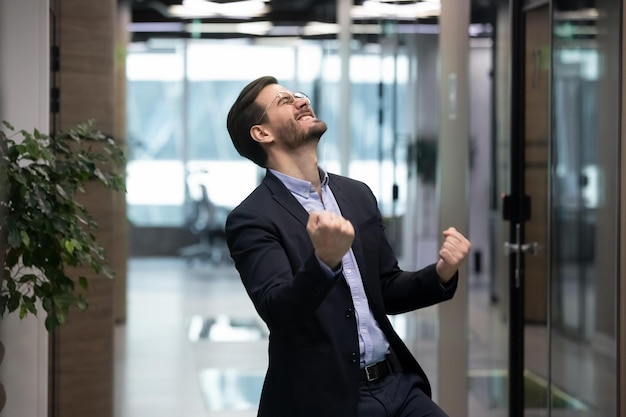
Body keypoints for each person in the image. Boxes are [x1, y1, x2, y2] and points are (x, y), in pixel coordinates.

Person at [225, 75, 471, 417]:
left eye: (298, 96)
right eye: (284, 101)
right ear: (262, 133)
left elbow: (387, 288)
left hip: (396, 384)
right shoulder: (252, 218)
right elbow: (278, 311)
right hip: (328, 398)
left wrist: (441, 274)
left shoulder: (356, 195)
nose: (301, 101)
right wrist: (324, 263)